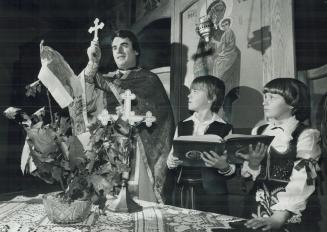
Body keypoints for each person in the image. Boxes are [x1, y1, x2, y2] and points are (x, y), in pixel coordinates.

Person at [79, 30, 175, 203]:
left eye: (124, 45)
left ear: (136, 50)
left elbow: (162, 118)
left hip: (140, 145)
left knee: (139, 202)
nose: (118, 51)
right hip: (111, 147)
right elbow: (86, 86)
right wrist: (93, 61)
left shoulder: (149, 79)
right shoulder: (108, 78)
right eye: (115, 47)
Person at [236, 78, 321, 231]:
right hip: (257, 207)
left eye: (272, 97)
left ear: (292, 103)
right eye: (264, 97)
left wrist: (278, 218)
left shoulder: (306, 135)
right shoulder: (259, 131)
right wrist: (253, 164)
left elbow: (303, 179)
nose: (264, 102)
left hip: (291, 213)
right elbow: (249, 177)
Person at [166, 75, 234, 214]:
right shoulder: (182, 125)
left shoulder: (225, 128)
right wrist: (171, 161)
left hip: (211, 195)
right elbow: (171, 157)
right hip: (182, 190)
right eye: (190, 91)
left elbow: (231, 167)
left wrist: (223, 166)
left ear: (211, 97)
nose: (189, 96)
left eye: (195, 91)